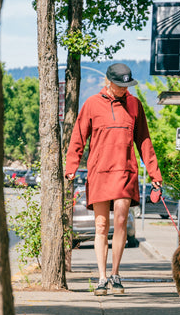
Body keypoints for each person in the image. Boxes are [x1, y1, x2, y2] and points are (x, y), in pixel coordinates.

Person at [65, 63, 162, 296]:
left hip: (125, 172)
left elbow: (144, 141)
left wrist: (154, 173)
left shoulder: (135, 105)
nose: (123, 89)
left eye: (126, 85)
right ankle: (101, 277)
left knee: (120, 221)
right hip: (99, 172)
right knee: (100, 225)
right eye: (120, 85)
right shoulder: (92, 104)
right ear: (108, 82)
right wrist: (71, 166)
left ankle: (116, 274)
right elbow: (78, 136)